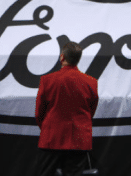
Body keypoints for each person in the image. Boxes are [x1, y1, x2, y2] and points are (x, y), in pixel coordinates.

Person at [35, 42, 99, 176]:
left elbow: (39, 112)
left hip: (51, 138)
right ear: (78, 59)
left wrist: (47, 128)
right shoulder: (91, 82)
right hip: (78, 140)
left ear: (62, 57)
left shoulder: (47, 80)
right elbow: (90, 111)